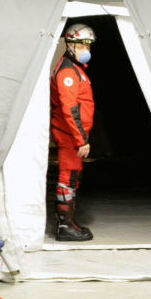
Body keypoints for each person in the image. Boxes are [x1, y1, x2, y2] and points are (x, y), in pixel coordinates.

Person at [50, 23, 96, 241]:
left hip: (74, 135)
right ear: (69, 45)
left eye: (88, 46)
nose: (86, 50)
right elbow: (70, 109)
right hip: (69, 135)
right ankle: (64, 227)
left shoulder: (76, 69)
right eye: (81, 45)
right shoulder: (68, 71)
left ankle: (69, 223)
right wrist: (80, 140)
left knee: (72, 178)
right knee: (67, 178)